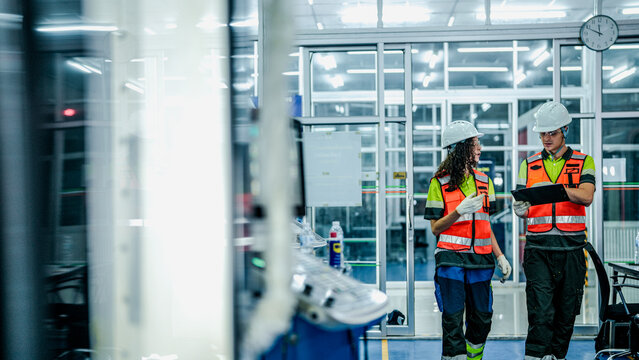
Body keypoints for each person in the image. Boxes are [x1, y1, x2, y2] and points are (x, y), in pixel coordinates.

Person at [513, 101, 595, 360]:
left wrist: (559, 190)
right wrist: (521, 209)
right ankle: (535, 357)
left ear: (565, 130)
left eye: (552, 133)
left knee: (566, 312)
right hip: (538, 248)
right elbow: (522, 202)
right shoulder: (529, 164)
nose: (546, 138)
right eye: (542, 133)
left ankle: (557, 356)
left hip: (572, 249)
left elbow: (587, 196)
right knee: (540, 311)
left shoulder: (584, 161)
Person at [424, 120, 512, 360]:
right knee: (452, 319)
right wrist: (458, 211)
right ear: (461, 147)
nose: (480, 148)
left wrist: (500, 255)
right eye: (475, 143)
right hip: (451, 259)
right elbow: (435, 228)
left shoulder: (485, 182)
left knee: (482, 318)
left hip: (481, 261)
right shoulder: (438, 183)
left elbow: (486, 223)